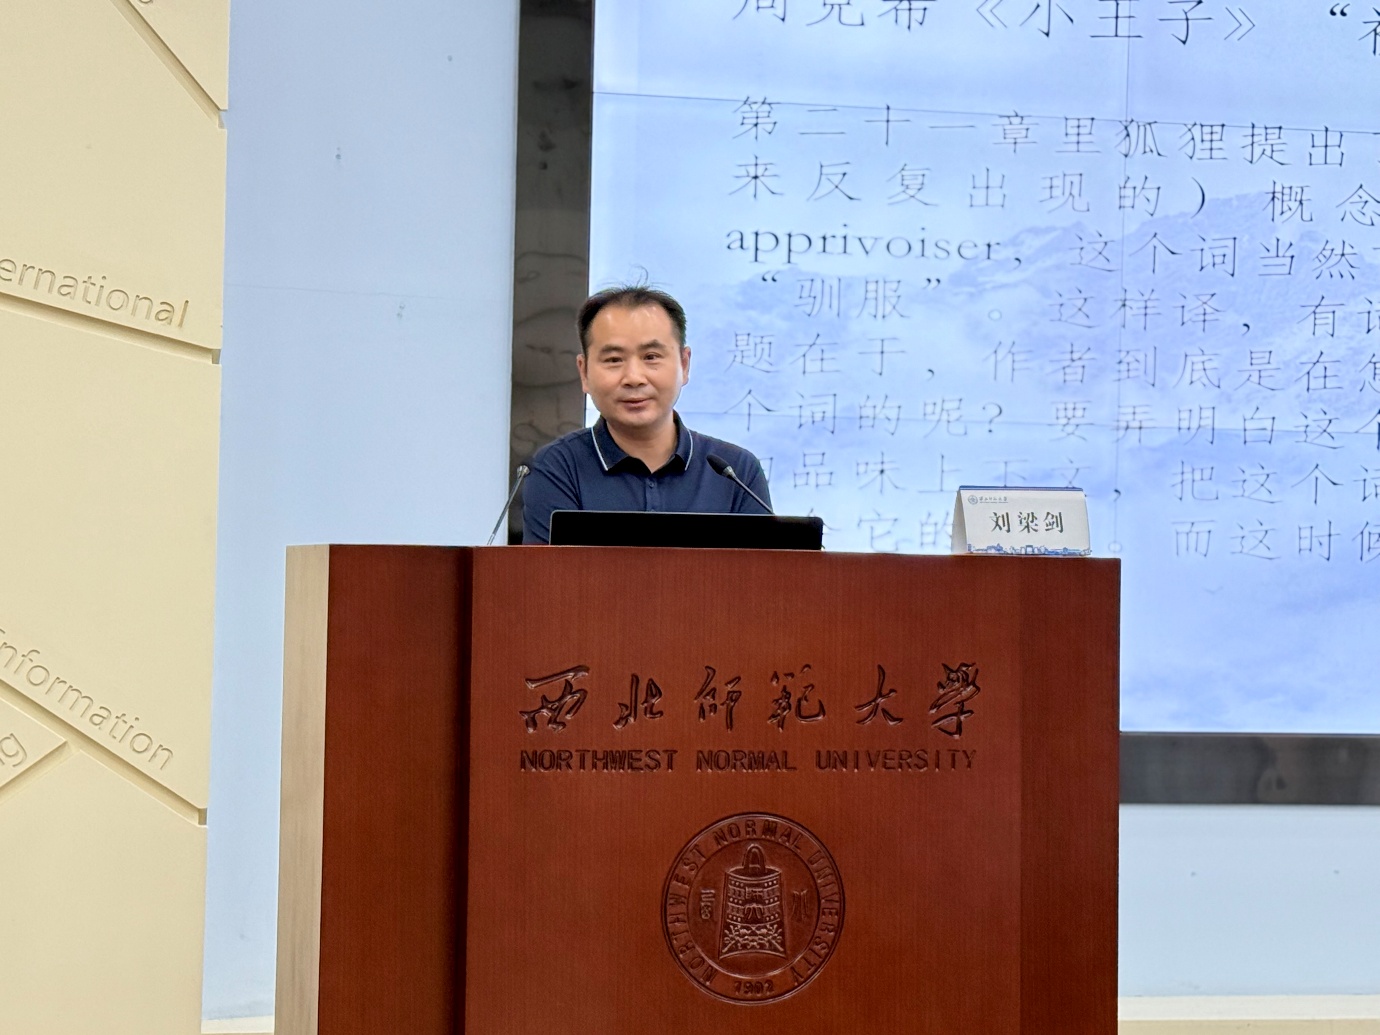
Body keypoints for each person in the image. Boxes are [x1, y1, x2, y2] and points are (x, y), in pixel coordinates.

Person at [521, 285, 771, 544]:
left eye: (651, 357)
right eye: (614, 359)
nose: (634, 378)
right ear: (584, 372)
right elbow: (549, 570)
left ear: (684, 365)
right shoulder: (558, 467)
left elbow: (760, 568)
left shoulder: (735, 471)